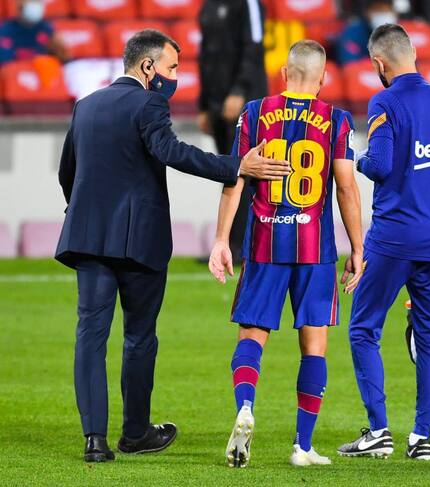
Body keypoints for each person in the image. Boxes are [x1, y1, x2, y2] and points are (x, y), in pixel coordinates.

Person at [55, 29, 290, 464]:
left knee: (90, 335)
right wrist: (237, 166)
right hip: (139, 241)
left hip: (87, 238)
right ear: (148, 67)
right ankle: (135, 434)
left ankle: (94, 440)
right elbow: (172, 151)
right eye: (172, 67)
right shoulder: (149, 103)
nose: (175, 76)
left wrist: (87, 214)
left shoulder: (85, 105)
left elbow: (67, 172)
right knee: (139, 337)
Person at [209, 40, 364, 468]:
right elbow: (346, 187)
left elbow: (235, 178)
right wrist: (358, 247)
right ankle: (303, 446)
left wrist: (221, 239)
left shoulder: (254, 113)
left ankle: (245, 406)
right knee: (314, 345)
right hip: (315, 248)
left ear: (283, 74)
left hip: (264, 242)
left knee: (251, 336)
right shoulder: (337, 119)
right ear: (323, 78)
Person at [337, 24, 430, 461]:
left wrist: (352, 158)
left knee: (364, 329)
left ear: (379, 64)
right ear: (413, 54)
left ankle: (379, 431)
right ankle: (421, 438)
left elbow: (379, 165)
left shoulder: (385, 102)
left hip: (393, 239)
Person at [197, 0, 267, 263]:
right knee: (229, 173)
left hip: (244, 101)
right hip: (216, 102)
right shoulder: (208, 5)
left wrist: (239, 91)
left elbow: (254, 47)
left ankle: (243, 245)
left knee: (245, 174)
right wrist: (204, 105)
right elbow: (205, 53)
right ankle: (229, 243)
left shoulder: (249, 3)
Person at [0, 0, 67, 65]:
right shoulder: (6, 30)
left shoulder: (46, 29)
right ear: (20, 9)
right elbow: (5, 62)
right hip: (16, 69)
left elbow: (63, 57)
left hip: (41, 69)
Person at [334, 0, 397, 66]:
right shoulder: (352, 33)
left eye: (387, 9)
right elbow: (350, 64)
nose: (383, 14)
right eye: (378, 9)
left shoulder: (399, 33)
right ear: (367, 12)